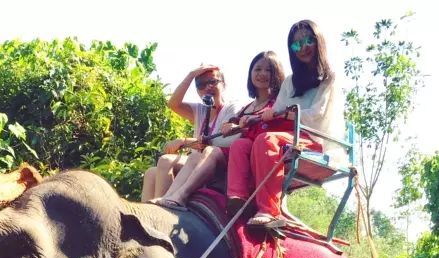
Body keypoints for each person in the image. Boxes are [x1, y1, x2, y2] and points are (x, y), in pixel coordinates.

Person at [233, 20, 345, 226]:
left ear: (318, 41)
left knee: (267, 140)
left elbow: (316, 115)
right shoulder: (290, 82)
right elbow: (275, 111)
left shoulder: (329, 78)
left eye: (308, 40)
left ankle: (269, 210)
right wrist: (254, 118)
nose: (303, 48)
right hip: (290, 137)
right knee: (246, 143)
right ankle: (237, 199)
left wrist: (284, 114)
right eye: (296, 44)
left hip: (316, 141)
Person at [140, 66, 240, 207]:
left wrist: (184, 141)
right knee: (151, 173)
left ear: (223, 84)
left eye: (212, 82)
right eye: (201, 84)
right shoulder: (200, 109)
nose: (207, 87)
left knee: (166, 160)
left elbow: (220, 141)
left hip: (214, 163)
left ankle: (163, 208)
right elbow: (173, 104)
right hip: (194, 162)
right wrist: (191, 75)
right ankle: (147, 212)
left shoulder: (231, 108)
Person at [222, 51, 290, 218]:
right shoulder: (245, 108)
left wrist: (256, 120)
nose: (262, 74)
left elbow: (281, 122)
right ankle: (236, 197)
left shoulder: (279, 102)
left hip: (267, 149)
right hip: (245, 150)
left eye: (268, 70)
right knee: (239, 144)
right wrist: (231, 126)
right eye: (257, 69)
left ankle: (267, 207)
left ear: (277, 74)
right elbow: (236, 127)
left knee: (253, 143)